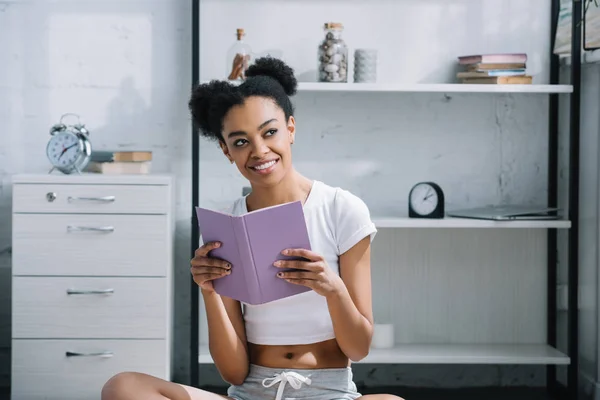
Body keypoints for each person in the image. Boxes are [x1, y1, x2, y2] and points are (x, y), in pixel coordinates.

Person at [101, 57, 404, 400]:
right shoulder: (225, 227)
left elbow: (359, 348)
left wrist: (333, 288)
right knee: (122, 387)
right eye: (241, 141)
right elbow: (234, 372)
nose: (259, 151)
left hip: (328, 393)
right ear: (226, 150)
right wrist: (209, 291)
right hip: (251, 393)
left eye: (270, 132)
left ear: (290, 128)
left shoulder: (341, 209)